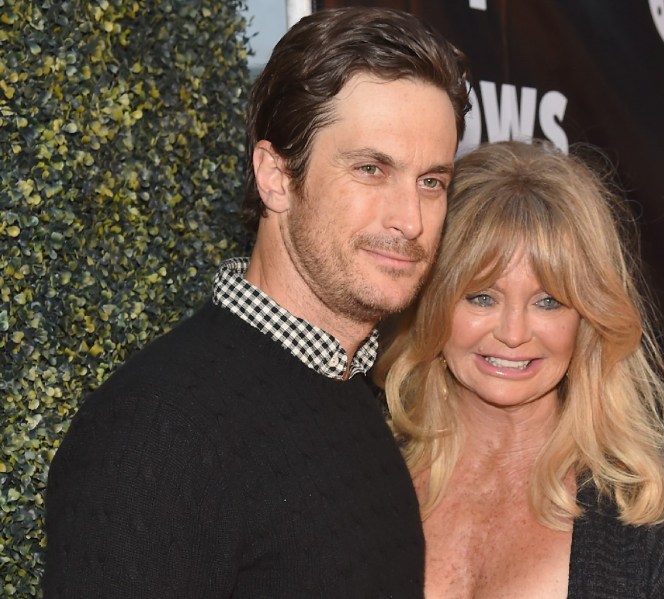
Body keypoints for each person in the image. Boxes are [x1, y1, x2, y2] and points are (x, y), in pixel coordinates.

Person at [44, 7, 471, 597]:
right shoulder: (160, 430)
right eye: (372, 170)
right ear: (275, 176)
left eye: (432, 181)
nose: (411, 220)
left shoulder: (353, 395)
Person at [376, 140, 664, 598]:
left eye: (548, 301)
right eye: (481, 297)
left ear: (587, 319)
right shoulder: (363, 471)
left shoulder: (645, 531)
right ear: (433, 303)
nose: (513, 333)